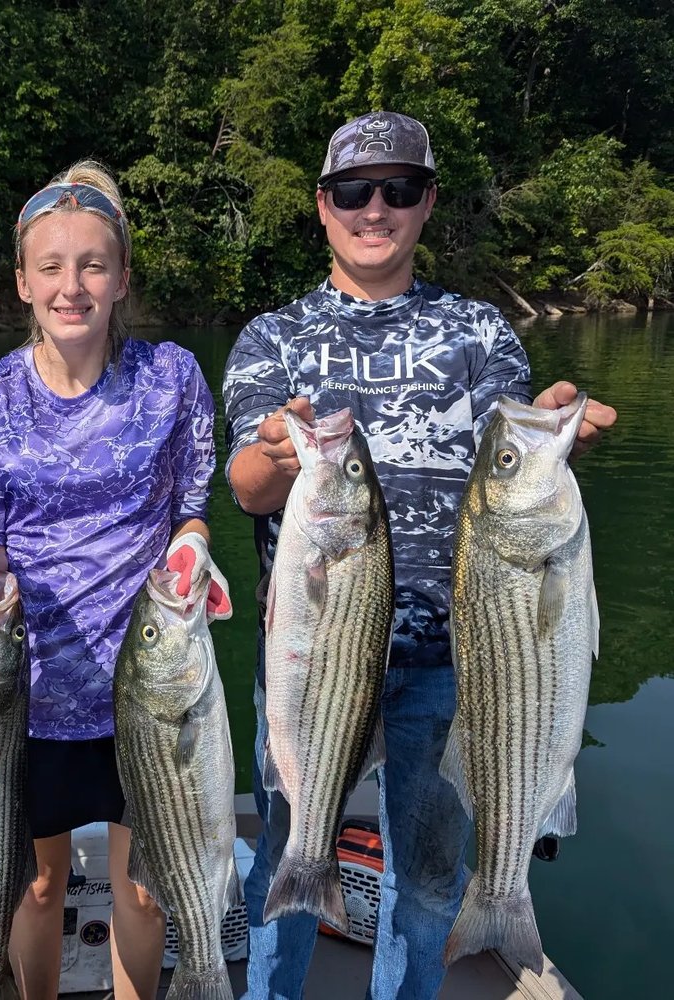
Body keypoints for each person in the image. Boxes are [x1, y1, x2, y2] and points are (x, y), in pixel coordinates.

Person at [222, 111, 617, 1000]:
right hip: (312, 660)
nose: (375, 210)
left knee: (430, 877)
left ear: (426, 203)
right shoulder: (271, 337)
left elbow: (507, 466)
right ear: (322, 207)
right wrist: (273, 463)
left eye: (398, 191)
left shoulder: (479, 332)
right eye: (354, 192)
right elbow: (246, 481)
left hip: (460, 661)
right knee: (289, 854)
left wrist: (552, 445)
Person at [0, 160, 233, 999]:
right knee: (34, 882)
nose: (73, 286)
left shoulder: (170, 376)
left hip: (150, 685)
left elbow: (191, 506)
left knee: (143, 883)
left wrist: (193, 544)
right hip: (20, 685)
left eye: (93, 265)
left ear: (123, 277)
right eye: (52, 267)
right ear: (22, 281)